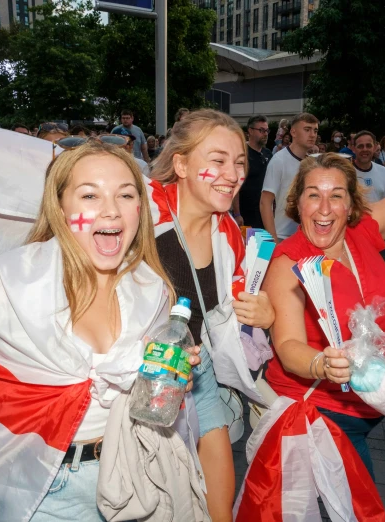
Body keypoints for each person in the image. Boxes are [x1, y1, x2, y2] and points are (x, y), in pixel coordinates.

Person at [0, 140, 208, 522]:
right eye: (90, 195)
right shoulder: (12, 281)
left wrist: (170, 379)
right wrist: (2, 401)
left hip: (129, 472)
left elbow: (151, 381)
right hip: (43, 488)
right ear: (60, 208)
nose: (111, 210)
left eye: (126, 195)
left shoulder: (150, 288)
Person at [262, 92, 385, 480]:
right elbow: (287, 346)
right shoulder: (288, 262)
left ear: (352, 205)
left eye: (337, 196)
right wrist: (321, 364)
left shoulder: (362, 232)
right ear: (297, 204)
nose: (325, 208)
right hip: (322, 407)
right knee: (356, 506)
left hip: (369, 403)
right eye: (313, 195)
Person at [148, 109, 276, 521]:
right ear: (181, 163)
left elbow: (234, 305)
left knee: (219, 501)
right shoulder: (140, 221)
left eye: (239, 162)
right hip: (136, 384)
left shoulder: (230, 234)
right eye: (217, 160)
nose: (233, 173)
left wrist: (263, 312)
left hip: (199, 377)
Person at [261, 113, 319, 242]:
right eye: (307, 129)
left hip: (309, 236)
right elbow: (265, 202)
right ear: (293, 132)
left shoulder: (314, 163)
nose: (312, 134)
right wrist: (273, 240)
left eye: (315, 130)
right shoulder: (279, 160)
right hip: (283, 236)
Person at [352, 131, 385, 255]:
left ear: (375, 147)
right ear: (353, 149)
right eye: (360, 146)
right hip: (351, 237)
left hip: (376, 235)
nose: (365, 149)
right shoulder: (345, 172)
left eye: (368, 145)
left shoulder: (382, 170)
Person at [232, 115, 272, 228]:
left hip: (265, 214)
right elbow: (236, 186)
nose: (265, 134)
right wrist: (237, 213)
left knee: (267, 245)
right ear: (250, 131)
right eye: (261, 130)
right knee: (252, 246)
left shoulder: (268, 154)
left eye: (267, 130)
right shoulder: (242, 154)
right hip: (247, 216)